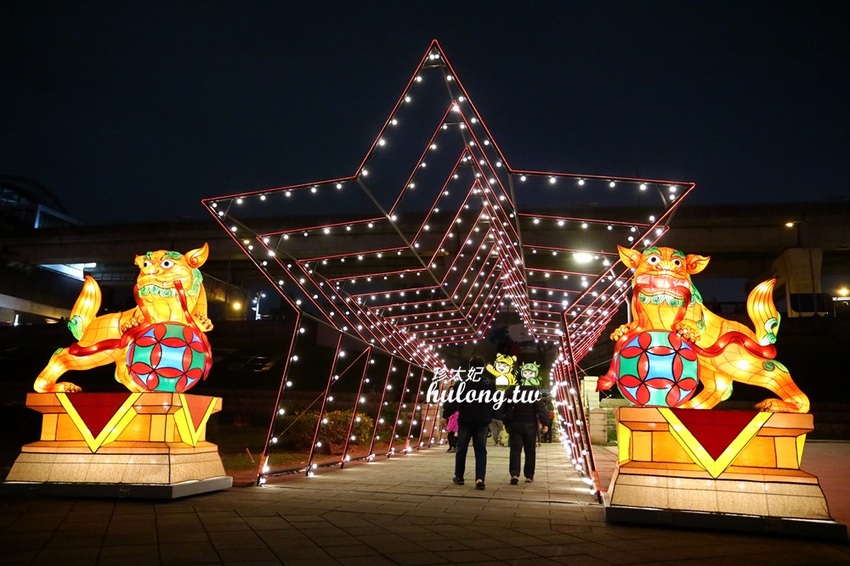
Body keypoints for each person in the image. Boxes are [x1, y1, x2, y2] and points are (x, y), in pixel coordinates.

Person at [452, 354, 495, 490]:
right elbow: (493, 402)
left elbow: (454, 401)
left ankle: (459, 476)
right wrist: (490, 417)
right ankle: (480, 478)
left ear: (470, 367)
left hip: (465, 421)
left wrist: (446, 415)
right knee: (481, 450)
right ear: (483, 367)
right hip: (482, 422)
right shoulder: (489, 384)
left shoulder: (462, 382)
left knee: (461, 449)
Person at [503, 362, 548, 484]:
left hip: (515, 424)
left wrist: (506, 422)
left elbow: (504, 407)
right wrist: (545, 423)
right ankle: (529, 475)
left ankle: (514, 473)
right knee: (530, 451)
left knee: (515, 450)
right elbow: (540, 408)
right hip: (530, 424)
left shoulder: (511, 390)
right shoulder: (533, 391)